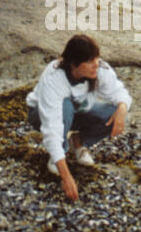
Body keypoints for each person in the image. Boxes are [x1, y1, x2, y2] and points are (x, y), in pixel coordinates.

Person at [26, 35, 132, 202]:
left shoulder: (99, 69)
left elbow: (120, 93)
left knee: (113, 110)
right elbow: (51, 129)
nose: (96, 64)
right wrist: (66, 176)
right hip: (40, 114)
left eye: (96, 58)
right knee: (65, 107)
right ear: (74, 64)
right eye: (89, 61)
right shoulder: (55, 77)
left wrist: (122, 109)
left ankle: (79, 142)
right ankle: (59, 154)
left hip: (77, 112)